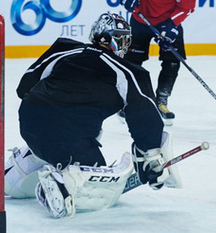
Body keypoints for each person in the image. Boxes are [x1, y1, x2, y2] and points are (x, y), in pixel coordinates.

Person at [4, 13, 181, 218]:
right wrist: (150, 158)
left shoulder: (63, 48)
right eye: (123, 39)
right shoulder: (129, 72)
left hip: (29, 122)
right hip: (66, 137)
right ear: (115, 40)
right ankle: (62, 183)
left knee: (91, 131)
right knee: (98, 185)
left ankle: (20, 167)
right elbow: (146, 116)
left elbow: (24, 86)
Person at [120, 0, 200, 125]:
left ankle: (161, 100)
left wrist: (171, 26)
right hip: (140, 18)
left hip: (167, 20)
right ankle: (131, 100)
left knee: (173, 61)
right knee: (132, 62)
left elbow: (186, 7)